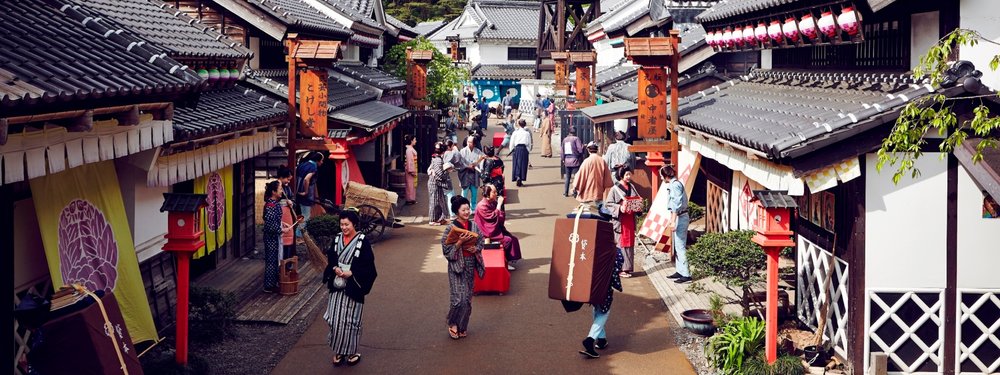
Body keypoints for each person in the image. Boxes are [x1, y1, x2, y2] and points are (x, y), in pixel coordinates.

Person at [322, 210, 377, 366]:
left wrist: (352, 272)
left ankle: (352, 351)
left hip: (353, 285)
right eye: (341, 224)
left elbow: (368, 265)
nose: (344, 227)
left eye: (347, 224)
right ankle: (339, 351)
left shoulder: (362, 241)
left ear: (354, 224)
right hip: (337, 284)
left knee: (350, 321)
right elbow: (331, 257)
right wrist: (335, 268)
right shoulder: (337, 239)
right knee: (334, 319)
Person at [441, 195, 485, 339]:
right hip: (456, 266)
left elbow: (481, 240)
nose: (467, 212)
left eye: (468, 209)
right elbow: (446, 250)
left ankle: (462, 326)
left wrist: (476, 248)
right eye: (463, 210)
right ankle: (452, 322)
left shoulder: (474, 225)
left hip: (470, 263)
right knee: (458, 299)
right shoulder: (450, 228)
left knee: (467, 299)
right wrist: (459, 243)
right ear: (457, 211)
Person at [579, 250, 624, 359]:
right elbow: (616, 269)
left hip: (592, 286)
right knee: (604, 313)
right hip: (604, 287)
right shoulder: (614, 252)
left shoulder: (592, 248)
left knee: (597, 309)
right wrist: (617, 285)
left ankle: (602, 339)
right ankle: (590, 339)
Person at [603, 166, 640, 278]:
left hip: (630, 219)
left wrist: (638, 205)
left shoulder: (632, 186)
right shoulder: (614, 189)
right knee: (621, 244)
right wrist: (619, 208)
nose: (629, 177)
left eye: (629, 174)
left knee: (630, 244)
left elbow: (637, 198)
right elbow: (608, 204)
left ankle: (628, 268)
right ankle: (620, 269)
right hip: (620, 220)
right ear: (621, 175)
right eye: (626, 174)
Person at [474, 184, 521, 271]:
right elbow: (492, 218)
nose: (496, 194)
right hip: (485, 233)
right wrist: (499, 205)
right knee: (508, 240)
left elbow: (499, 218)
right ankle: (505, 261)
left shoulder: (492, 202)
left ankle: (507, 260)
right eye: (494, 192)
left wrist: (500, 206)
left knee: (513, 238)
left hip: (493, 229)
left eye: (496, 192)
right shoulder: (482, 206)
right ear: (487, 193)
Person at [661, 165, 692, 284]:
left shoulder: (675, 185)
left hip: (680, 216)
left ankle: (686, 275)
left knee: (680, 245)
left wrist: (673, 221)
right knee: (677, 245)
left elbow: (676, 204)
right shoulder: (674, 184)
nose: (661, 178)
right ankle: (680, 271)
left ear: (666, 176)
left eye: (661, 176)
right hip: (679, 216)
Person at [572, 142, 613, 207]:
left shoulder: (587, 161)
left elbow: (580, 175)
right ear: (597, 149)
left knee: (585, 207)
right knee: (600, 206)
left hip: (587, 189)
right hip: (599, 189)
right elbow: (607, 177)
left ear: (588, 150)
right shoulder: (602, 160)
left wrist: (575, 186)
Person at [262, 180, 284, 293]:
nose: (282, 191)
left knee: (275, 259)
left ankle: (274, 282)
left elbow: (275, 220)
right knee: (271, 261)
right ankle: (269, 286)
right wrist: (281, 229)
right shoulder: (270, 206)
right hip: (271, 237)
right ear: (274, 192)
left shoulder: (275, 203)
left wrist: (283, 224)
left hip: (275, 236)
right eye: (280, 189)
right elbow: (270, 225)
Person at [295, 151, 323, 236]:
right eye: (321, 160)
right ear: (317, 160)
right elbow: (306, 179)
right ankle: (299, 234)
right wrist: (306, 191)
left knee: (303, 214)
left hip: (298, 192)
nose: (322, 162)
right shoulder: (313, 167)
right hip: (305, 195)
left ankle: (300, 233)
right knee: (306, 216)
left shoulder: (302, 164)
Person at [427, 142, 452, 225]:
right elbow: (440, 175)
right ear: (443, 152)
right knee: (434, 202)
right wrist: (447, 171)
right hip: (435, 183)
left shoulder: (435, 158)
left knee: (440, 201)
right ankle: (433, 220)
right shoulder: (438, 160)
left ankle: (440, 218)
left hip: (435, 183)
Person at [459, 135, 485, 209]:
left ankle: (473, 208)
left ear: (474, 144)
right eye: (468, 142)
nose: (468, 143)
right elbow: (460, 162)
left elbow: (482, 159)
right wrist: (467, 166)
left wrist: (477, 164)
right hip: (465, 175)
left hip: (474, 175)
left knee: (474, 194)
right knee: (464, 193)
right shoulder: (462, 151)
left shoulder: (478, 151)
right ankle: (462, 207)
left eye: (470, 142)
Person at [509, 119, 532, 187]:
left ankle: (517, 176)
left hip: (517, 149)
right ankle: (521, 178)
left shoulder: (515, 132)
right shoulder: (527, 133)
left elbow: (512, 142)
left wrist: (511, 150)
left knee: (516, 164)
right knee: (523, 164)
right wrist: (528, 150)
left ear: (519, 124)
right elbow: (529, 143)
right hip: (524, 149)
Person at [562, 127, 584, 197]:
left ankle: (566, 192)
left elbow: (562, 151)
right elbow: (580, 150)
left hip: (567, 160)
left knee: (567, 177)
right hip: (575, 160)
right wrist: (583, 147)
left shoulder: (565, 139)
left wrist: (563, 159)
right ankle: (575, 192)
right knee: (575, 177)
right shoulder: (576, 139)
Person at [442, 140, 461, 217]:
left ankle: (444, 214)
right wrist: (455, 149)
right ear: (449, 146)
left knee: (442, 197)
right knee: (450, 195)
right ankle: (452, 214)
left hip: (440, 179)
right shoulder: (449, 153)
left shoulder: (441, 154)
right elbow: (457, 158)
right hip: (446, 178)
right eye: (452, 146)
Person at [403, 135, 418, 205]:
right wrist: (411, 170)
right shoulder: (409, 150)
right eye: (414, 140)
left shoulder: (409, 149)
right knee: (410, 185)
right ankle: (409, 199)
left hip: (413, 168)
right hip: (410, 169)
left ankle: (411, 198)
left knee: (412, 184)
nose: (415, 141)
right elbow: (410, 162)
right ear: (411, 141)